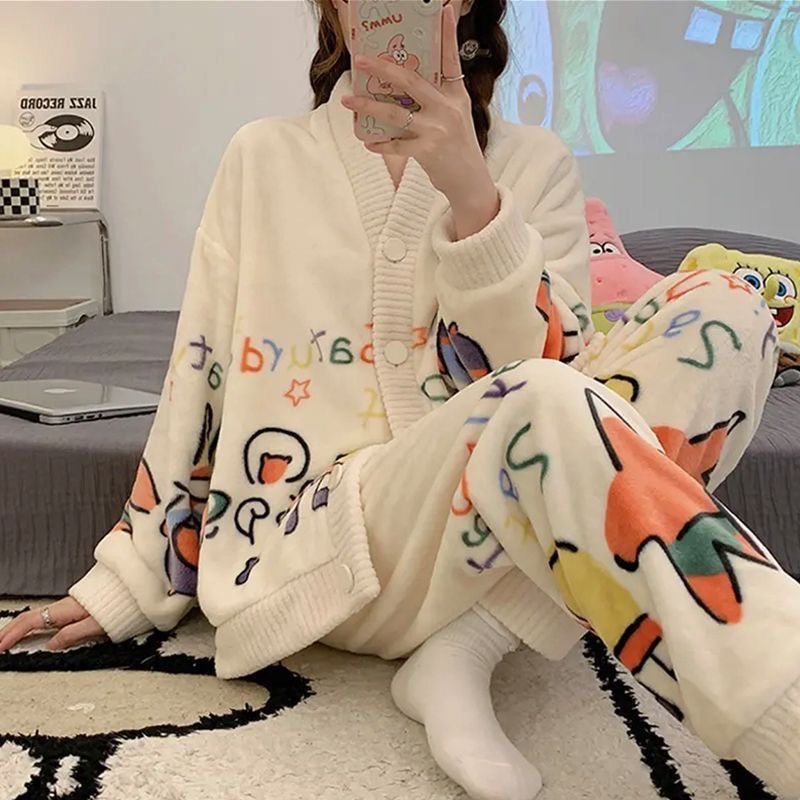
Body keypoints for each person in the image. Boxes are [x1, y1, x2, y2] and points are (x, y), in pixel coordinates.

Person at [2, 1, 799, 798]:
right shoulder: (264, 157)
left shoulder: (535, 162)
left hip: (494, 542)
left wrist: (473, 197)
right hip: (326, 540)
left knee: (730, 309)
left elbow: (567, 397)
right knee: (541, 398)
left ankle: (472, 641)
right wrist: (132, 576)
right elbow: (200, 371)